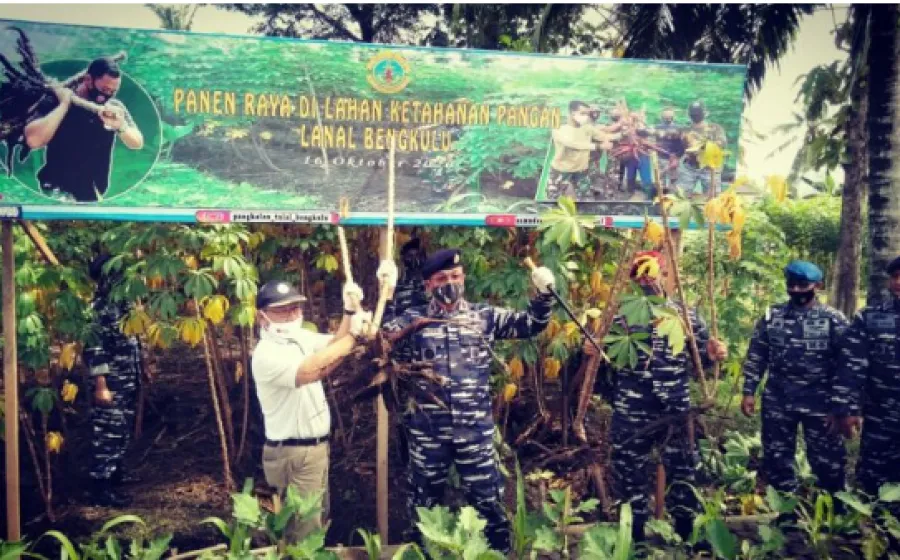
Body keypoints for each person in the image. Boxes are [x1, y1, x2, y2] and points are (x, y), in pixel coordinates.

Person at [378, 249, 556, 553]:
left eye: (455, 276)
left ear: (463, 278)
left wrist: (544, 295)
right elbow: (378, 341)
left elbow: (531, 325)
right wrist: (388, 293)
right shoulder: (412, 321)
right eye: (442, 278)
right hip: (428, 434)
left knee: (488, 503)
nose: (450, 282)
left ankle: (497, 556)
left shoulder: (484, 317)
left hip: (474, 433)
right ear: (429, 285)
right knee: (424, 506)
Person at [582, 251, 728, 543]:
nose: (647, 278)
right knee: (628, 473)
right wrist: (588, 351)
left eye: (652, 272)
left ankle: (686, 536)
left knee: (684, 472)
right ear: (633, 279)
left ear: (664, 274)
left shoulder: (683, 314)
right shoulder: (617, 316)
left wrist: (714, 355)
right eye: (640, 273)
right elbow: (596, 362)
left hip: (675, 408)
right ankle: (634, 539)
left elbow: (703, 361)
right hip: (632, 408)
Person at [251, 279, 371, 540]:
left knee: (313, 524)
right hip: (292, 455)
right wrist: (354, 336)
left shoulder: (298, 338)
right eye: (282, 310)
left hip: (313, 451)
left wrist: (350, 313)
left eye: (295, 308)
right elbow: (314, 369)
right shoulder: (265, 354)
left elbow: (333, 347)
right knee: (300, 532)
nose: (292, 315)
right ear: (262, 317)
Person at [741, 261, 850, 500]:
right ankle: (786, 513)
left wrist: (841, 406)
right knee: (777, 458)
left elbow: (847, 365)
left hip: (820, 402)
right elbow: (757, 354)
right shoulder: (773, 316)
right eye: (792, 285)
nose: (797, 290)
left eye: (803, 285)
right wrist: (749, 390)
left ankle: (837, 513)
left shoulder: (834, 320)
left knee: (827, 460)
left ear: (817, 286)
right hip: (779, 399)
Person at [24, 57, 144, 202]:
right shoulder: (58, 100)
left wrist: (120, 126)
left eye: (112, 91)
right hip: (58, 187)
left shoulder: (114, 107)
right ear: (88, 80)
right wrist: (64, 105)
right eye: (104, 89)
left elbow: (137, 143)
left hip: (92, 191)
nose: (107, 95)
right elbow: (33, 140)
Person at [837, 256, 900, 505]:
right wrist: (847, 408)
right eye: (894, 276)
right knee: (874, 482)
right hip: (881, 416)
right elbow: (851, 366)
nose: (898, 282)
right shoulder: (870, 318)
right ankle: (876, 534)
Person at [82, 253, 143, 507]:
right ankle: (99, 487)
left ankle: (115, 475)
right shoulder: (99, 308)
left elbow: (132, 339)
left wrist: (142, 367)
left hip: (127, 376)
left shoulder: (123, 304)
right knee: (107, 433)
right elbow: (94, 349)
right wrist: (101, 385)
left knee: (121, 429)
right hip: (110, 381)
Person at [547, 100, 616, 200]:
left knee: (585, 200)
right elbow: (573, 144)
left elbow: (604, 136)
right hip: (561, 172)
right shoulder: (559, 129)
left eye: (587, 114)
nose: (586, 116)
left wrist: (623, 134)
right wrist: (598, 146)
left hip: (581, 172)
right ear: (572, 113)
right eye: (583, 113)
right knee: (555, 201)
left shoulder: (587, 128)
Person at [676, 101, 726, 197]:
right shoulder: (685, 130)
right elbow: (680, 148)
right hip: (689, 167)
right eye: (694, 114)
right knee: (681, 195)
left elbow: (722, 144)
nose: (696, 116)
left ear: (705, 113)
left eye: (698, 113)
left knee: (713, 197)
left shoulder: (715, 128)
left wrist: (702, 147)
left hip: (709, 168)